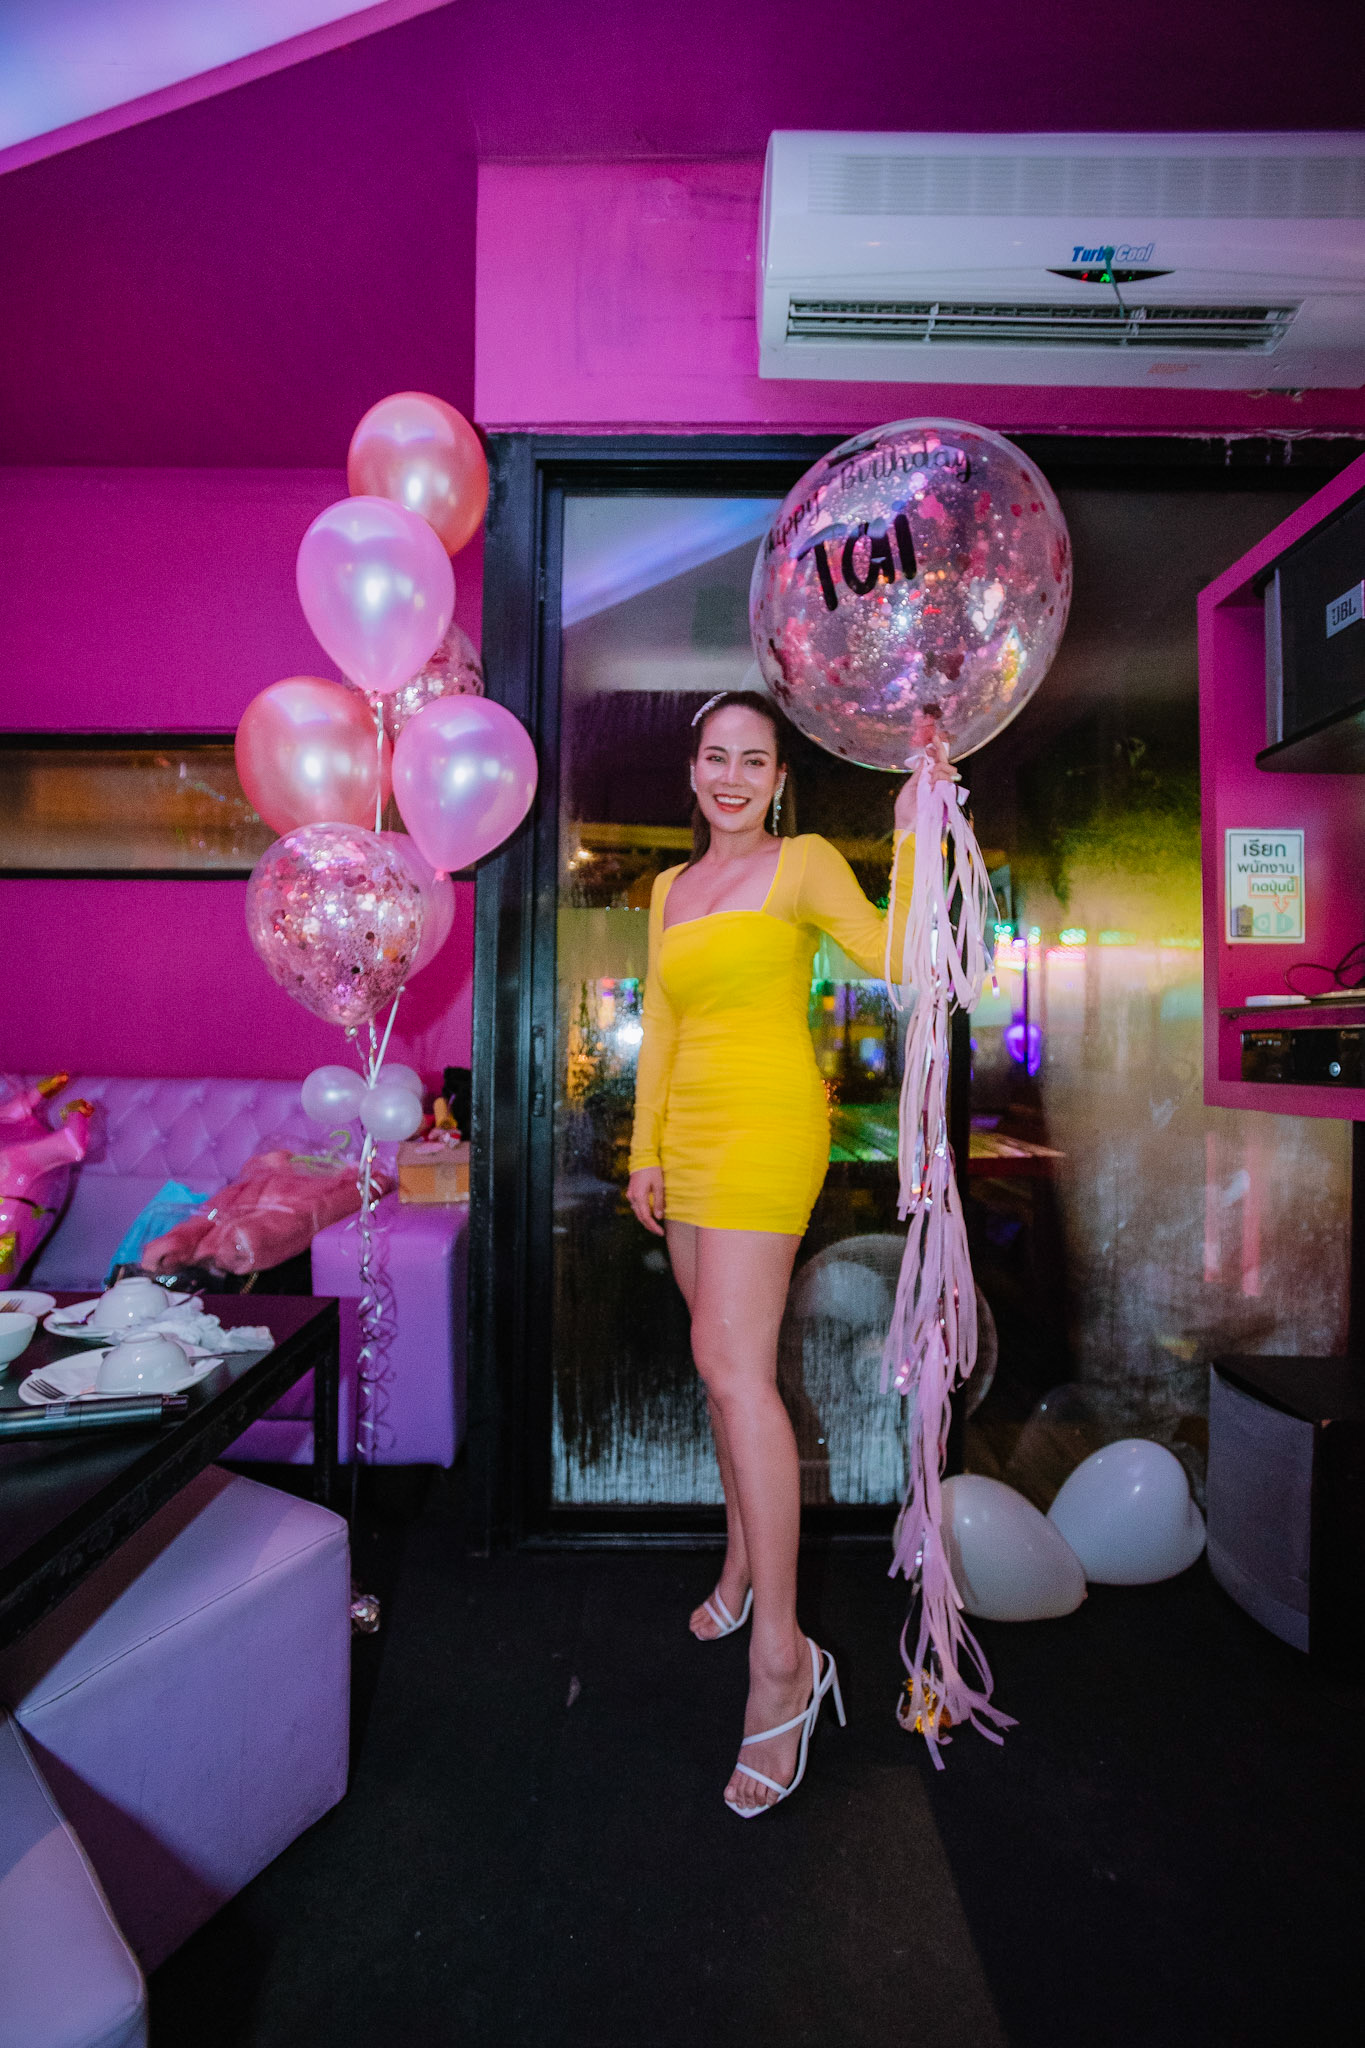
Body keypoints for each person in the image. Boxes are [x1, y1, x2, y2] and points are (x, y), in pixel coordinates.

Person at [626, 688, 938, 1817]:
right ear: (694, 770)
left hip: (768, 1128)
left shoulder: (801, 863)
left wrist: (916, 831)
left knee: (733, 1367)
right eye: (716, 757)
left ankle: (784, 1661)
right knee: (719, 1372)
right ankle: (740, 1564)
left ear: (778, 780)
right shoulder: (667, 889)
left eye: (753, 761)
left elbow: (897, 952)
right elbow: (662, 1025)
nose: (732, 777)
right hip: (690, 1135)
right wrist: (644, 1151)